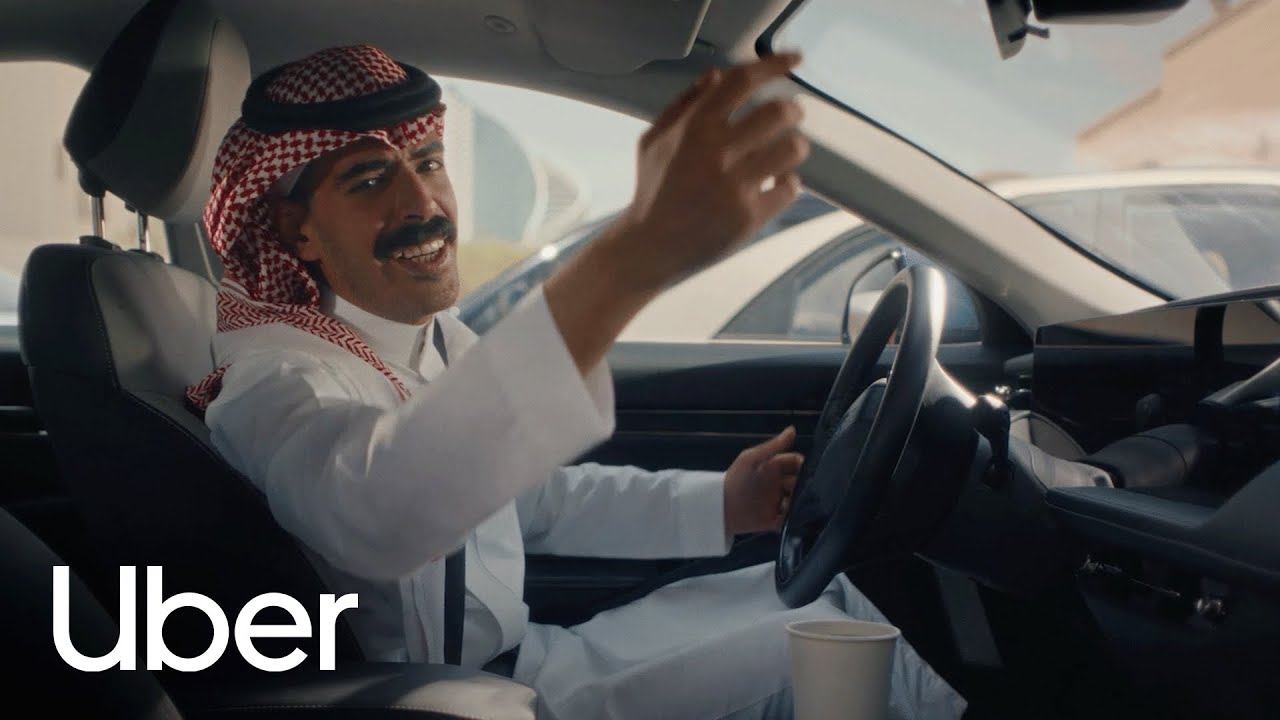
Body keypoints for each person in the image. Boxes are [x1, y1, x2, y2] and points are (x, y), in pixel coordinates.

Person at [190, 45, 966, 720]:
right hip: (455, 702)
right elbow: (380, 512)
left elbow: (533, 501)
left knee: (852, 597)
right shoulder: (275, 382)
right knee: (884, 651)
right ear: (295, 230)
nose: (422, 204)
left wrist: (720, 505)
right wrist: (632, 256)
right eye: (368, 180)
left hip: (536, 662)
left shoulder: (425, 341)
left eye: (427, 163)